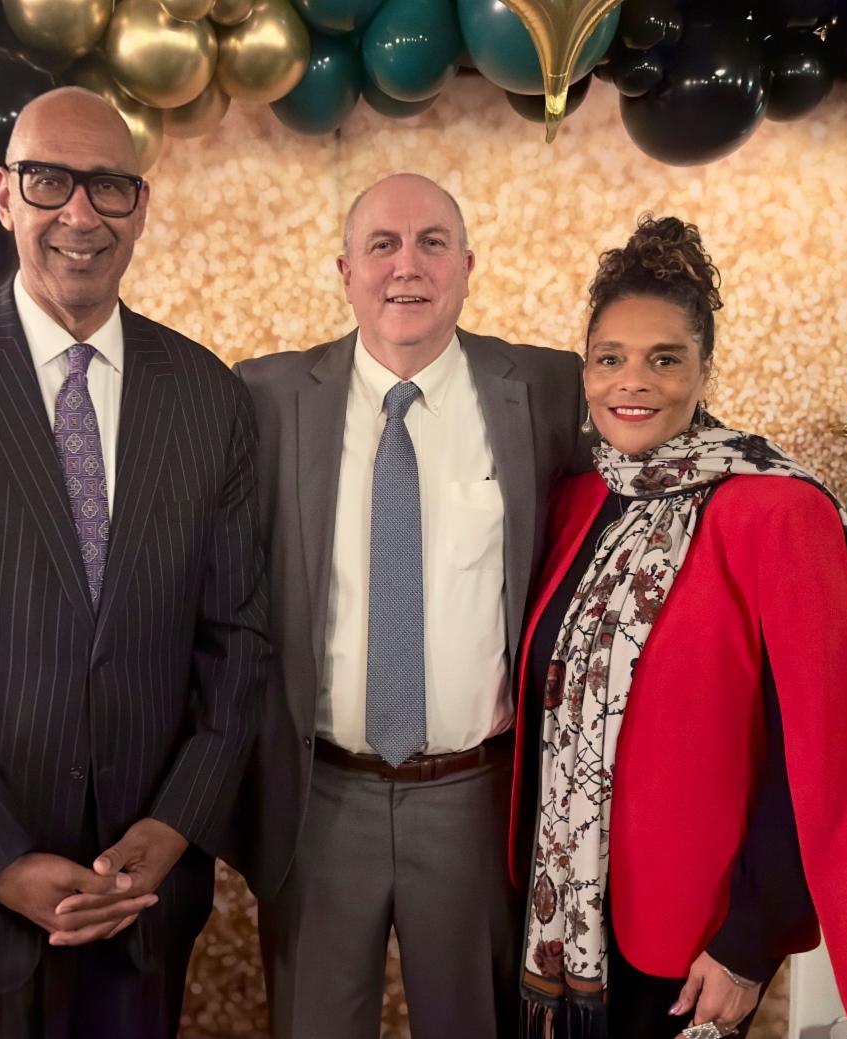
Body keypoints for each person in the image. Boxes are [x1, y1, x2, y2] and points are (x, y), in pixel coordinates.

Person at [0, 86, 268, 1039]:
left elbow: (238, 643)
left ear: (140, 206)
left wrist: (174, 827)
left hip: (138, 898)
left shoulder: (210, 396)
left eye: (109, 186)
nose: (80, 213)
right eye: (48, 181)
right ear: (3, 195)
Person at [511, 214, 847, 1039]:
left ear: (704, 369)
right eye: (610, 358)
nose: (633, 381)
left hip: (694, 935)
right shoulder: (579, 499)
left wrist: (750, 942)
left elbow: (819, 744)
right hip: (562, 917)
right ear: (586, 370)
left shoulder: (778, 512)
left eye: (665, 359)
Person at [227, 172, 589, 1039]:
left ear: (466, 266)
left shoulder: (547, 389)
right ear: (345, 271)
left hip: (475, 800)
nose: (407, 266)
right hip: (319, 798)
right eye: (382, 245)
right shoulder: (266, 397)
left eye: (432, 243)